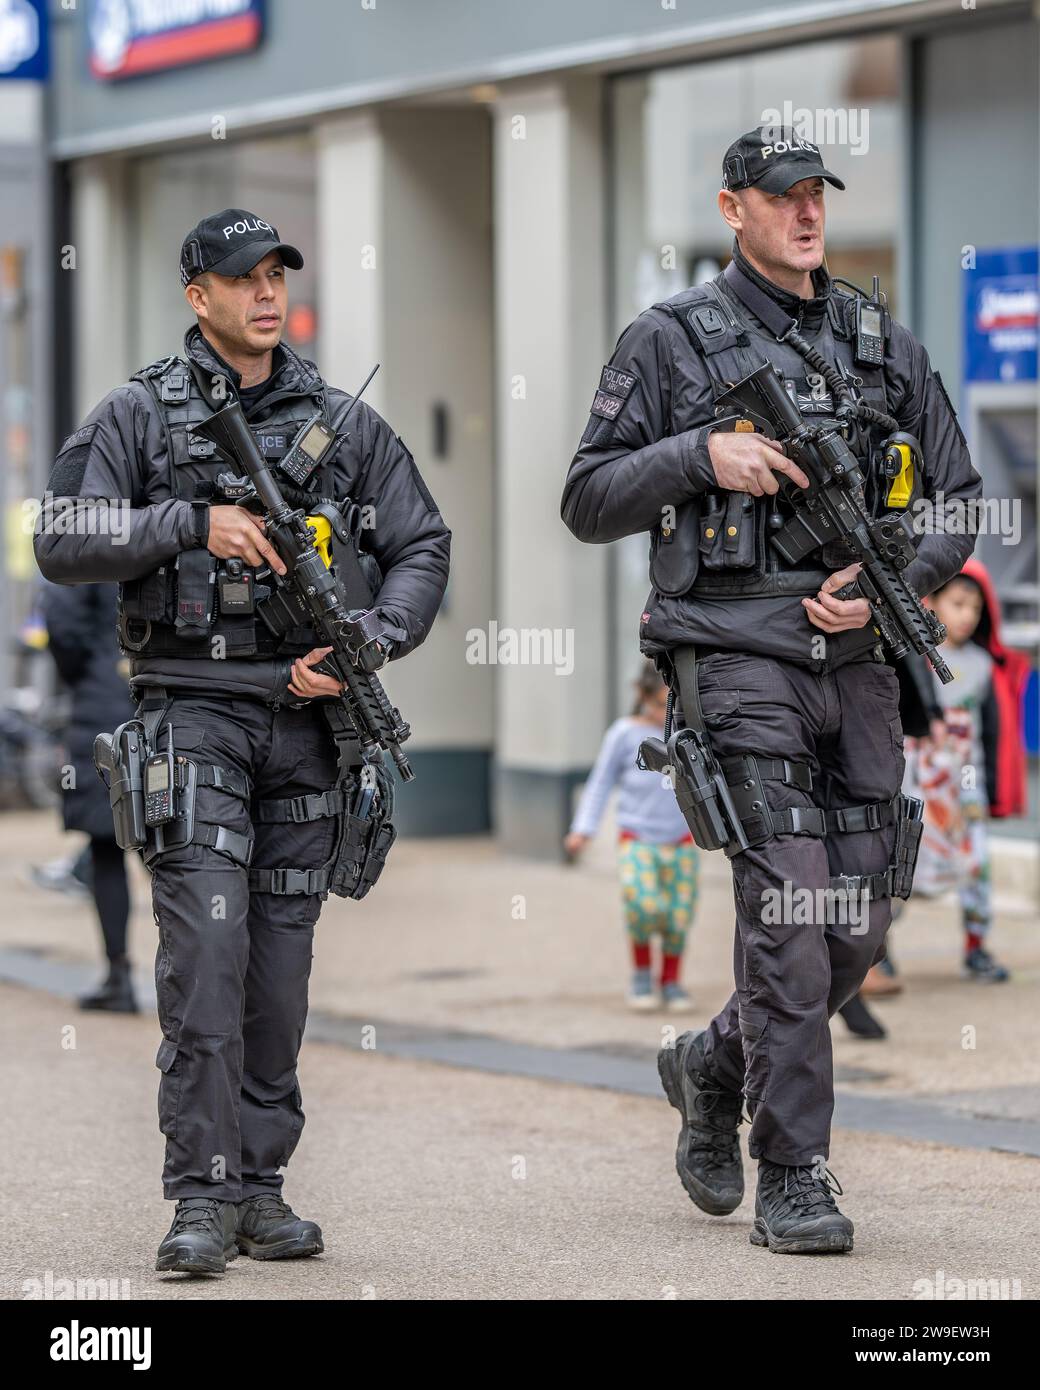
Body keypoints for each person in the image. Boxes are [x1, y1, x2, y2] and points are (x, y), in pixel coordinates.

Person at [561, 129, 982, 1254]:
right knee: (789, 917)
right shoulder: (667, 340)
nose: (804, 213)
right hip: (734, 650)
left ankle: (709, 1062)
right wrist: (701, 455)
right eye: (781, 196)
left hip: (856, 657)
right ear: (731, 207)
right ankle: (791, 1169)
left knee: (856, 919)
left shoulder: (873, 338)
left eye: (815, 195)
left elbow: (956, 497)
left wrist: (893, 577)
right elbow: (587, 496)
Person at [35, 208, 450, 1275]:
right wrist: (187, 523)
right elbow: (62, 537)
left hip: (308, 725)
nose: (265, 292)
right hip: (191, 715)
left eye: (276, 274)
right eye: (242, 277)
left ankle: (260, 1185)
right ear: (197, 295)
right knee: (205, 964)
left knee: (278, 975)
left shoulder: (340, 424)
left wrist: (373, 632)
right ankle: (199, 1195)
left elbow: (420, 544)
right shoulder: (139, 414)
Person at [564, 661, 699, 1011]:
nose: (662, 714)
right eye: (658, 705)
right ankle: (642, 972)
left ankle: (670, 981)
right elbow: (600, 782)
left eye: (670, 706)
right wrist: (583, 829)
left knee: (679, 914)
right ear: (642, 697)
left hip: (681, 839)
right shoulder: (624, 734)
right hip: (637, 837)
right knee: (643, 905)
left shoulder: (684, 735)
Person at [40, 580, 137, 1012]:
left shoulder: (86, 526)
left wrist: (85, 671)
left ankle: (119, 978)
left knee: (106, 848)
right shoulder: (168, 516)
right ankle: (199, 980)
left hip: (102, 704)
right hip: (166, 697)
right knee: (182, 846)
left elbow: (62, 622)